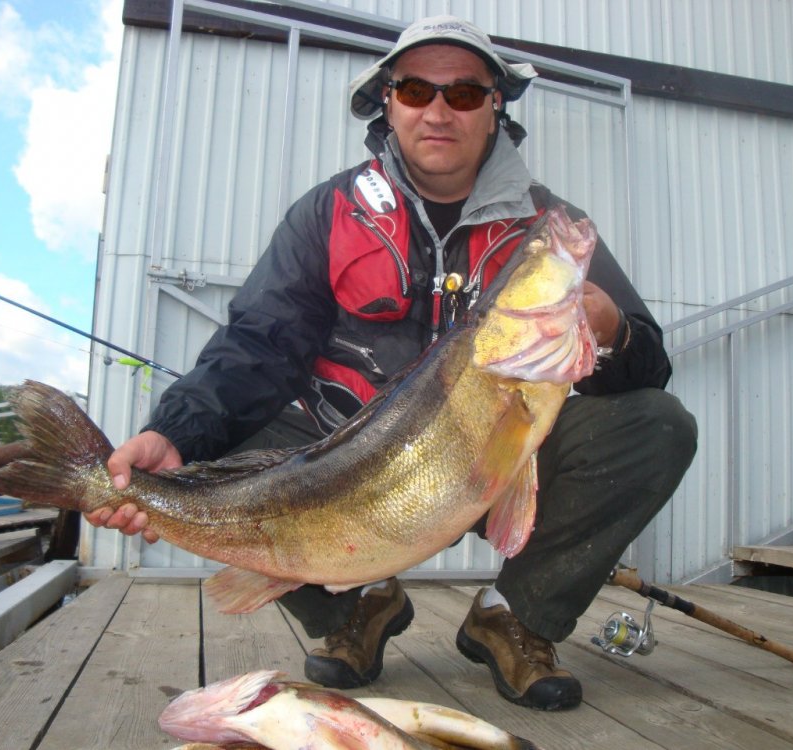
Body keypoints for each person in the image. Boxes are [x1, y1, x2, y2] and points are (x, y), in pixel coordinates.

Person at [86, 15, 697, 711]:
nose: (438, 111)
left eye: (463, 93)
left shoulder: (546, 226)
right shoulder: (330, 210)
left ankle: (515, 618)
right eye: (415, 90)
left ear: (495, 106)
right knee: (222, 438)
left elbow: (648, 368)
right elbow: (258, 345)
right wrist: (174, 434)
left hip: (498, 453)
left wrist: (611, 329)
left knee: (657, 425)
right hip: (342, 468)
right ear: (388, 100)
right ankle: (358, 608)